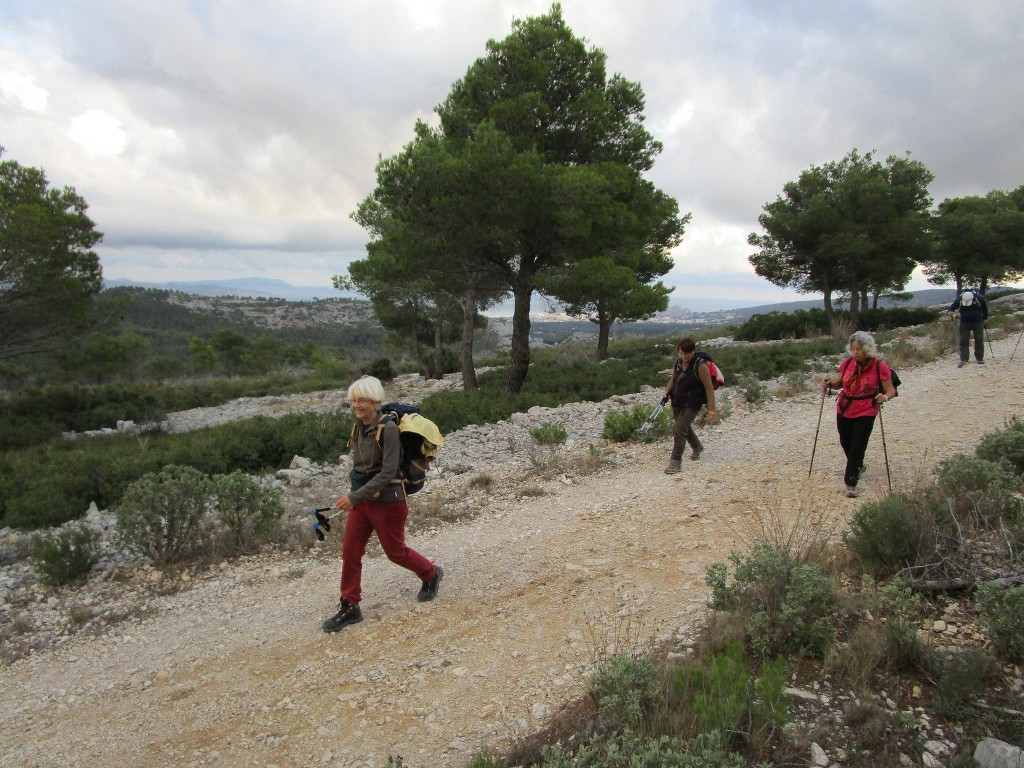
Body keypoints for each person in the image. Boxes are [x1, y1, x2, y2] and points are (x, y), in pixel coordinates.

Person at [322, 375, 443, 633]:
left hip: (389, 502)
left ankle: (431, 573)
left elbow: (388, 472)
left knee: (395, 552)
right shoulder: (358, 426)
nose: (357, 405)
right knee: (350, 551)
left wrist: (354, 497)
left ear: (376, 402)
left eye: (362, 400)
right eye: (354, 400)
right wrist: (355, 497)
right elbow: (360, 467)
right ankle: (350, 605)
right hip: (363, 502)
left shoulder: (387, 429)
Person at [821, 331, 896, 498]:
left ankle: (851, 483)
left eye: (859, 349)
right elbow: (840, 384)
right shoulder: (848, 363)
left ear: (867, 349)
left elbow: (891, 390)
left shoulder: (879, 366)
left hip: (866, 410)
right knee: (845, 441)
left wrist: (884, 397)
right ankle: (858, 465)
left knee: (857, 446)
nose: (855, 352)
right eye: (853, 348)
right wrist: (828, 385)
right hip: (845, 408)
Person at [660, 338, 717, 474]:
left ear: (693, 352)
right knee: (683, 426)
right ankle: (697, 447)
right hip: (677, 400)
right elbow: (674, 379)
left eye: (687, 354)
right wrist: (666, 393)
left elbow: (709, 388)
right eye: (681, 353)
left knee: (679, 429)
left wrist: (712, 409)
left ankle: (675, 462)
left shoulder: (700, 365)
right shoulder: (678, 362)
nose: (684, 357)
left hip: (693, 403)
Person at [946, 289, 989, 367]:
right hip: (964, 322)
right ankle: (964, 359)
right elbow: (951, 308)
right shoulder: (959, 299)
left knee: (979, 339)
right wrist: (950, 312)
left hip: (978, 321)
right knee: (964, 340)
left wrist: (985, 319)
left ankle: (980, 358)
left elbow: (984, 308)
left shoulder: (979, 298)